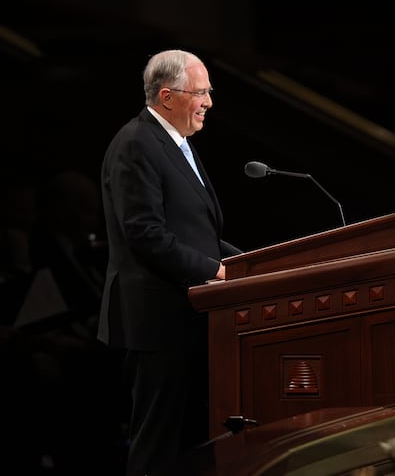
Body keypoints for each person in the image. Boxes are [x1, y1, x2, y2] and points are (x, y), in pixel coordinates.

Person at [98, 48, 242, 476]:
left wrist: (253, 264)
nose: (209, 103)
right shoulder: (136, 144)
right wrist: (215, 270)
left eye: (209, 92)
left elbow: (196, 232)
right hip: (158, 322)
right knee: (158, 445)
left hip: (190, 317)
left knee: (192, 444)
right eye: (201, 93)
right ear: (167, 97)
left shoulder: (176, 143)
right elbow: (144, 233)